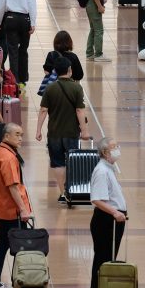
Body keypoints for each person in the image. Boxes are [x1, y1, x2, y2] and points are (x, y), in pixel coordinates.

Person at [36, 56, 90, 202]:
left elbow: (43, 110)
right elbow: (80, 111)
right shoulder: (76, 87)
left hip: (54, 133)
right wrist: (84, 131)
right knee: (72, 160)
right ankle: (71, 188)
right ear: (69, 70)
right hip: (71, 133)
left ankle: (62, 192)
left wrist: (38, 130)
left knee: (57, 162)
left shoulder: (50, 88)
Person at [0, 123, 32, 288]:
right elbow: (12, 186)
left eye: (21, 135)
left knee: (4, 243)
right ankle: (17, 281)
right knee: (17, 245)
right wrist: (23, 209)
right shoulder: (7, 157)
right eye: (17, 135)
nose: (20, 138)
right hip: (12, 210)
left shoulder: (1, 151)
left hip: (5, 208)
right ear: (6, 136)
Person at [87, 137, 128, 288]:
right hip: (107, 221)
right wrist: (115, 213)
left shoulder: (108, 169)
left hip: (112, 220)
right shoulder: (102, 171)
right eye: (114, 147)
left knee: (106, 260)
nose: (117, 149)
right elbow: (96, 199)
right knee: (103, 262)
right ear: (105, 152)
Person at [0, 0, 37, 89]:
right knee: (23, 50)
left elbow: (0, 3)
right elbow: (32, 3)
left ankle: (14, 80)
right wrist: (33, 22)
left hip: (11, 19)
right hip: (25, 20)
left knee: (13, 51)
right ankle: (23, 79)